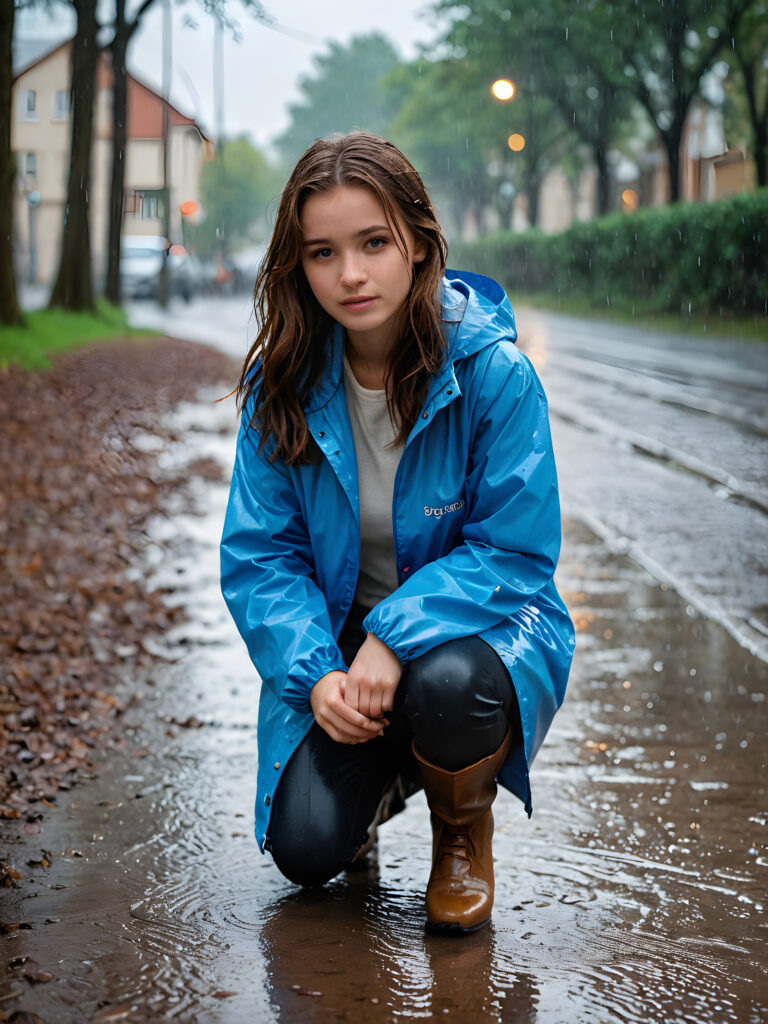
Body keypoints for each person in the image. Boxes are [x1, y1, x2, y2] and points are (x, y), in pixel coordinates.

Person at [220, 131, 574, 936]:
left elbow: (513, 550)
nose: (350, 274)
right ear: (298, 265)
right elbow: (263, 557)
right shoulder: (280, 386)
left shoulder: (495, 375)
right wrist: (317, 675)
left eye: (373, 243)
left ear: (417, 242)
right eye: (323, 252)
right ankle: (380, 784)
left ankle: (461, 831)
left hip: (476, 637)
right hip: (344, 650)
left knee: (447, 684)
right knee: (306, 849)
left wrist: (392, 634)